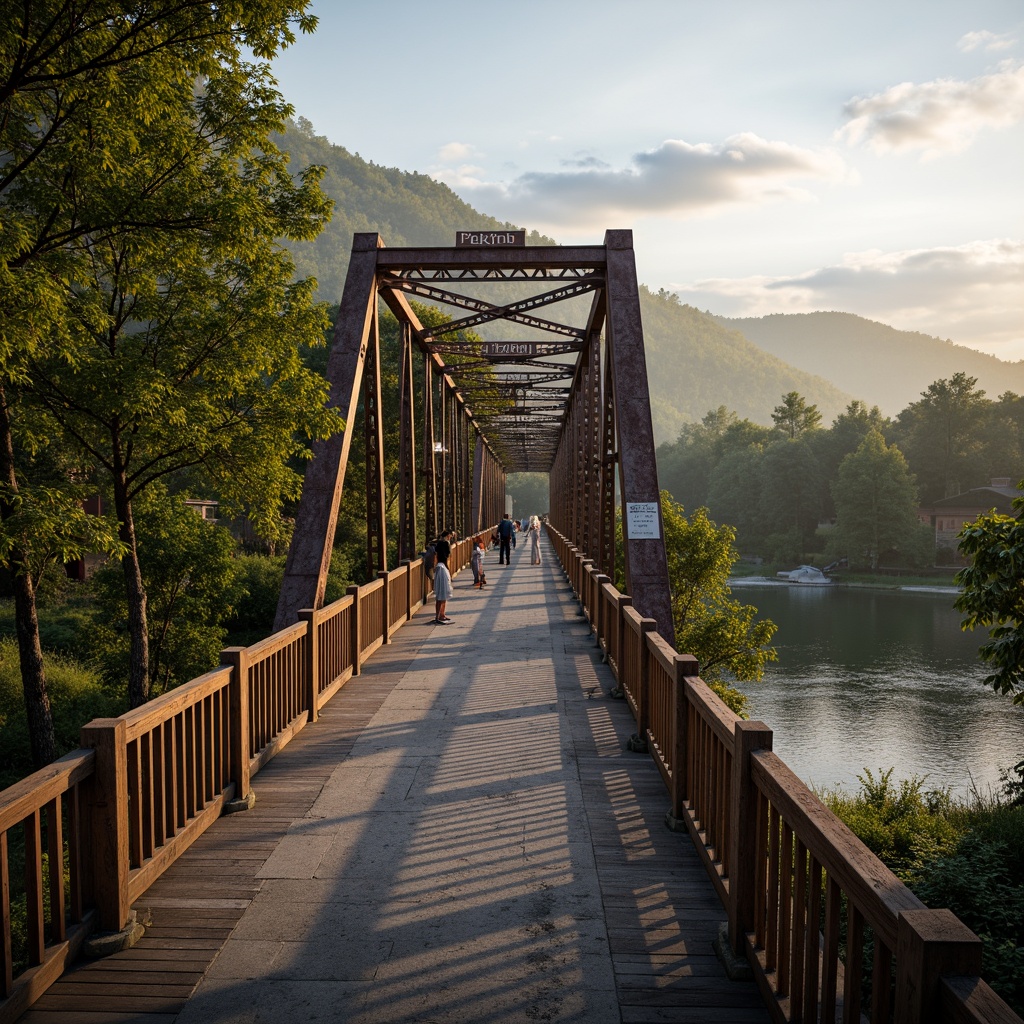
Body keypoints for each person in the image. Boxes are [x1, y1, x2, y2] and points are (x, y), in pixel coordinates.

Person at [433, 557, 453, 623]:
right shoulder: (440, 567)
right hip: (441, 585)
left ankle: (442, 614)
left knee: (443, 599)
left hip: (444, 585)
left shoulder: (443, 566)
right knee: (439, 599)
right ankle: (438, 616)